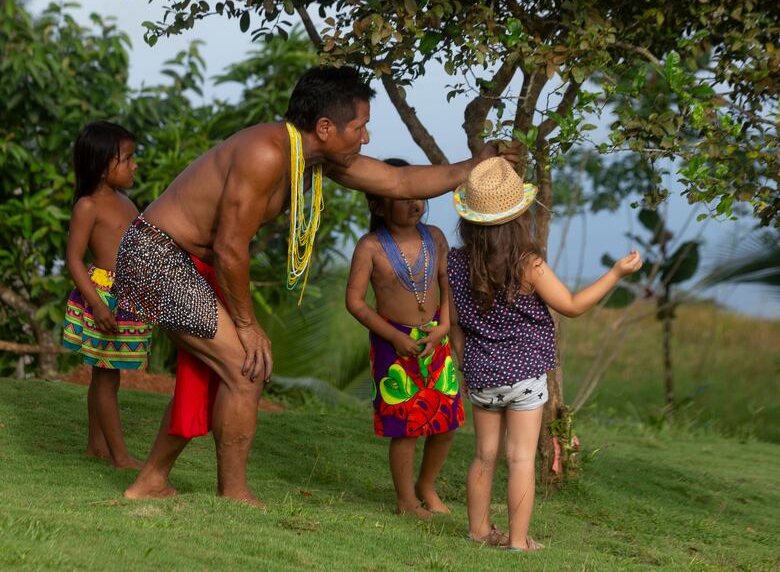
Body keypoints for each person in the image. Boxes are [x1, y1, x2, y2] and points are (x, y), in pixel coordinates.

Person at [113, 66, 517, 505]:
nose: (365, 138)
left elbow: (400, 182)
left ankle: (154, 479)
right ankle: (231, 493)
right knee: (246, 368)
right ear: (325, 128)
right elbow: (230, 247)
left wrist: (476, 164)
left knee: (228, 368)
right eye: (360, 127)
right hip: (157, 256)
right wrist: (248, 325)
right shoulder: (266, 155)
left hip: (177, 259)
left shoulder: (313, 156)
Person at [447, 157, 641, 551]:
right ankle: (518, 542)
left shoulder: (455, 262)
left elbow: (453, 324)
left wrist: (464, 365)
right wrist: (616, 274)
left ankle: (479, 532)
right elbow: (570, 304)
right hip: (524, 376)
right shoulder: (527, 264)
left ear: (469, 219)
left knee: (484, 457)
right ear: (518, 217)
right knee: (519, 459)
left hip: (482, 375)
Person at [346, 158, 463, 519]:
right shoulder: (370, 247)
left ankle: (425, 486)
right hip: (393, 344)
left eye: (419, 196)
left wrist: (444, 327)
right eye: (403, 197)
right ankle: (405, 501)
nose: (415, 203)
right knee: (407, 428)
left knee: (446, 423)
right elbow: (354, 302)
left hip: (435, 340)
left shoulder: (436, 237)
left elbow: (447, 287)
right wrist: (392, 337)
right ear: (378, 204)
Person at [62, 121, 152, 470]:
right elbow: (73, 258)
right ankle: (120, 456)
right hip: (105, 297)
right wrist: (97, 304)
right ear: (102, 165)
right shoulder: (88, 206)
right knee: (105, 376)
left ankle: (95, 446)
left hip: (128, 297)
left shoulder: (125, 201)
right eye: (127, 159)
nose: (135, 165)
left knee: (104, 374)